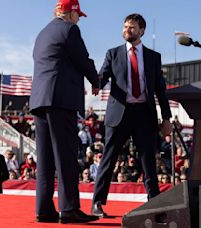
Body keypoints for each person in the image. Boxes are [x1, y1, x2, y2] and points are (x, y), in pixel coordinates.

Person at [91, 13, 172, 217]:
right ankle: (97, 203)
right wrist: (95, 82)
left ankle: (154, 204)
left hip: (145, 114)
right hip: (120, 114)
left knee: (148, 162)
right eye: (125, 27)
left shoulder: (154, 57)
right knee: (108, 159)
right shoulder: (113, 54)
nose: (127, 30)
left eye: (132, 27)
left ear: (142, 31)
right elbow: (103, 75)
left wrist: (166, 118)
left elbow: (160, 90)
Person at [29, 0, 100, 223]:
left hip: (40, 101)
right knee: (66, 156)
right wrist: (95, 80)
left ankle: (44, 209)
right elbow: (82, 58)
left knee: (46, 159)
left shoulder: (42, 34)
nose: (79, 19)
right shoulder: (70, 29)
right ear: (71, 13)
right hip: (60, 100)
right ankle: (69, 209)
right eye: (78, 15)